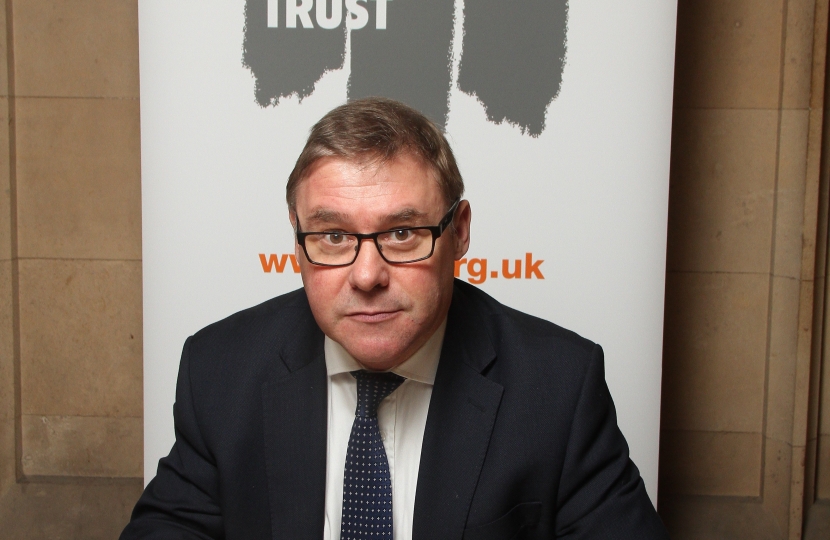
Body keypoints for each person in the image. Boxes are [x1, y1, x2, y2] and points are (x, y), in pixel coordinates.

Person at [121, 97, 668, 539]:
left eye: (402, 233)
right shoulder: (220, 368)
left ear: (459, 232)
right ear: (297, 243)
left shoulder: (557, 386)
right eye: (333, 236)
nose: (366, 275)